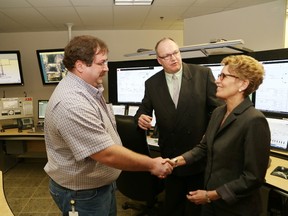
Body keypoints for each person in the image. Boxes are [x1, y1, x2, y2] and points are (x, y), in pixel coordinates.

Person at [43, 35, 173, 216]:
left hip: (99, 187)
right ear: (80, 65)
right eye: (101, 63)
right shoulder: (72, 104)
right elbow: (106, 153)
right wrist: (152, 164)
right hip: (83, 195)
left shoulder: (89, 89)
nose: (107, 68)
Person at [168, 55, 271, 216]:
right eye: (219, 75)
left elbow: (253, 178)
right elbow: (203, 147)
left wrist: (210, 196)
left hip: (235, 208)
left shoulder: (254, 121)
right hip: (212, 203)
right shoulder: (218, 112)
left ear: (243, 84)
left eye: (224, 76)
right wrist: (174, 162)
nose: (217, 81)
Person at [135, 37, 223, 216]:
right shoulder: (152, 83)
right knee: (173, 207)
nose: (173, 58)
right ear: (159, 60)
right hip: (170, 158)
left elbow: (218, 110)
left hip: (197, 155)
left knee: (195, 209)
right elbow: (144, 109)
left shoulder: (202, 74)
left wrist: (210, 138)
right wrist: (140, 117)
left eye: (175, 52)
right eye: (167, 56)